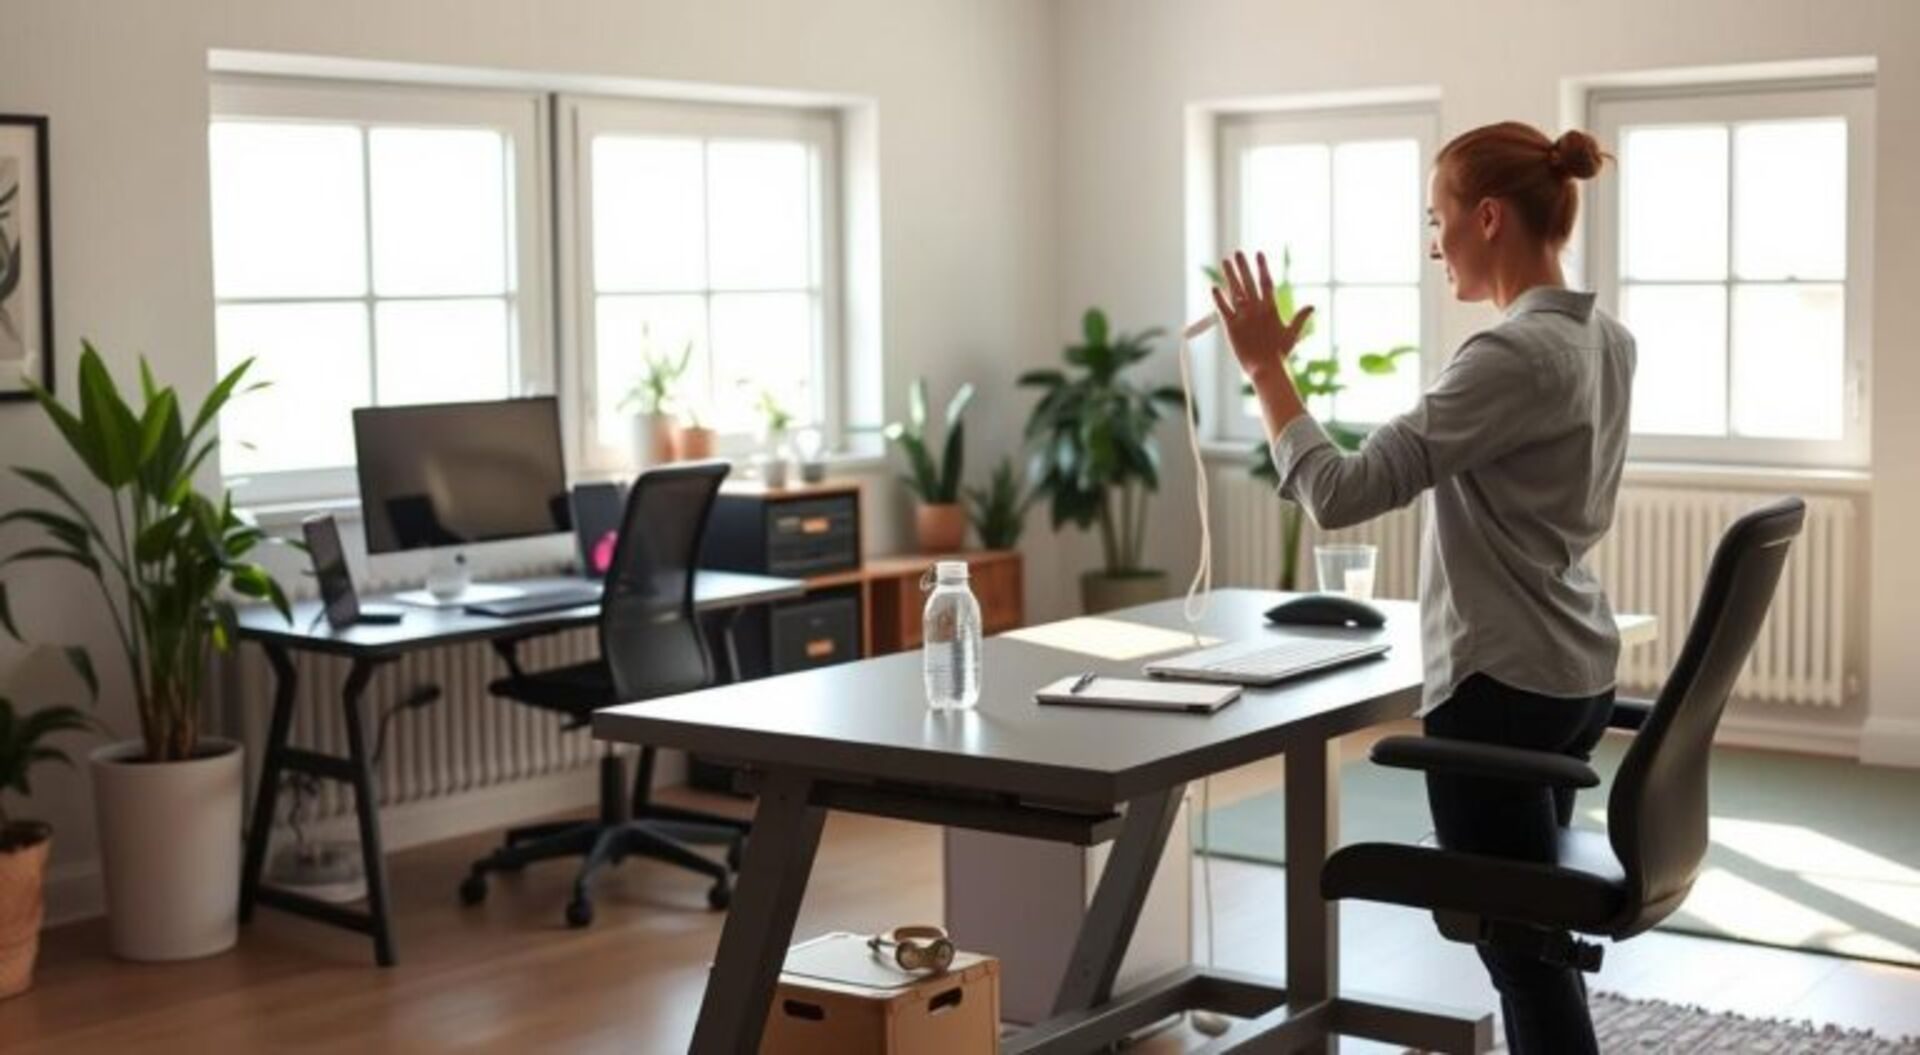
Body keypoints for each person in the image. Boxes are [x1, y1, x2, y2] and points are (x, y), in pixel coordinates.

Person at [1211, 121, 1632, 1054]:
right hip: (1571, 677)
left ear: (1489, 217)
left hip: (1500, 691)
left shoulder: (1509, 357)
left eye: (1438, 220)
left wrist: (1264, 369)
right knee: (1533, 937)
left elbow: (1338, 492)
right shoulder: (1607, 341)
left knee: (1519, 950)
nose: (1434, 244)